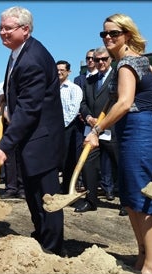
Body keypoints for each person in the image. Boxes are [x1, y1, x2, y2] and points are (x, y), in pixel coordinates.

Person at [83, 14, 152, 274]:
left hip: (138, 131)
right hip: (133, 130)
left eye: (114, 33)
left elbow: (125, 102)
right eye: (104, 34)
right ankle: (142, 257)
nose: (108, 38)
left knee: (142, 198)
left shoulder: (127, 63)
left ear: (127, 35)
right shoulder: (138, 60)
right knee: (130, 199)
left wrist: (96, 129)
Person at [0, 6, 65, 256]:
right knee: (34, 195)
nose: (2, 32)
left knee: (47, 197)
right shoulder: (18, 53)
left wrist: (5, 143)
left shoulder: (32, 58)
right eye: (0, 27)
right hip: (31, 138)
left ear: (25, 29)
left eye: (7, 28)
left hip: (41, 139)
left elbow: (30, 108)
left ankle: (53, 248)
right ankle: (41, 236)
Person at [77, 46, 120, 212]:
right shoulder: (89, 81)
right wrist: (89, 118)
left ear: (110, 60)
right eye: (97, 59)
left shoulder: (117, 78)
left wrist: (105, 122)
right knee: (88, 164)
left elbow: (121, 102)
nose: (100, 62)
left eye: (104, 59)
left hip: (112, 129)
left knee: (118, 165)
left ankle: (125, 203)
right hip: (92, 129)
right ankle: (91, 200)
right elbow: (83, 103)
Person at [56, 60, 84, 195]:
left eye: (62, 70)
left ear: (68, 72)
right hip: (54, 129)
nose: (59, 72)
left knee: (68, 159)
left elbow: (74, 109)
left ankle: (68, 187)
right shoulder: (51, 88)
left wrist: (62, 125)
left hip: (69, 128)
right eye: (57, 70)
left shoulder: (74, 89)